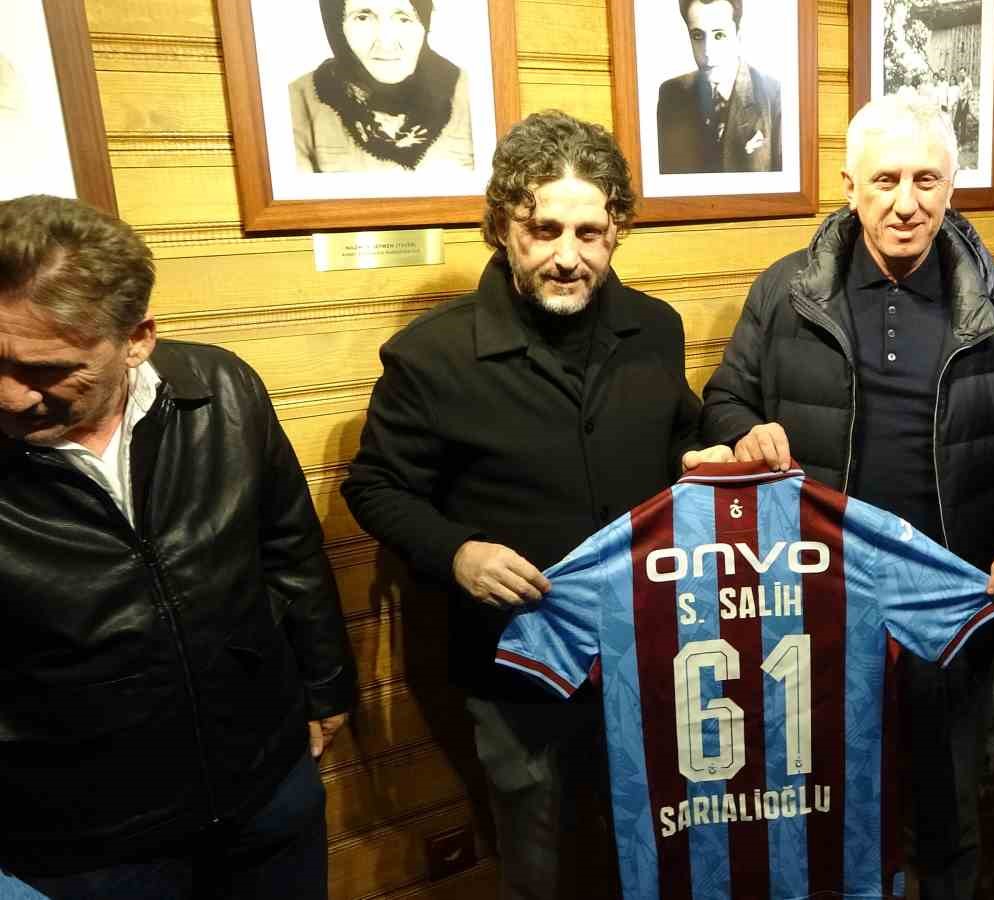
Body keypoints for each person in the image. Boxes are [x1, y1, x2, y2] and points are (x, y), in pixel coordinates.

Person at [341, 110, 727, 899]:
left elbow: (679, 433)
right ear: (501, 227)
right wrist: (458, 553)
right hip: (517, 663)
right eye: (543, 230)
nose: (567, 256)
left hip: (650, 650)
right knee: (540, 862)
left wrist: (709, 455)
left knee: (661, 848)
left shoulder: (655, 328)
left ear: (618, 229)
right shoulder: (431, 355)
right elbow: (375, 486)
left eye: (590, 233)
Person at [699, 93, 994, 899]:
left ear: (951, 187)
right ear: (850, 186)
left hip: (950, 600)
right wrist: (744, 432)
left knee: (947, 809)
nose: (906, 203)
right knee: (825, 798)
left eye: (926, 180)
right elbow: (724, 396)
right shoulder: (785, 293)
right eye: (886, 180)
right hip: (815, 603)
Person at [0, 195, 356, 898]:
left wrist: (326, 686)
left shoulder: (223, 387)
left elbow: (288, 546)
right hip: (85, 835)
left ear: (137, 339)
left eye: (47, 370)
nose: (10, 396)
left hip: (266, 781)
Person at [290, 0, 475, 173]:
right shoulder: (297, 102)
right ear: (336, 25)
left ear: (424, 23)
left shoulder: (473, 94)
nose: (386, 44)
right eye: (363, 18)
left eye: (404, 18)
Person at [656, 0, 781, 174]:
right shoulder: (671, 94)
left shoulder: (773, 94)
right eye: (698, 36)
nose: (708, 52)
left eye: (719, 35)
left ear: (738, 36)